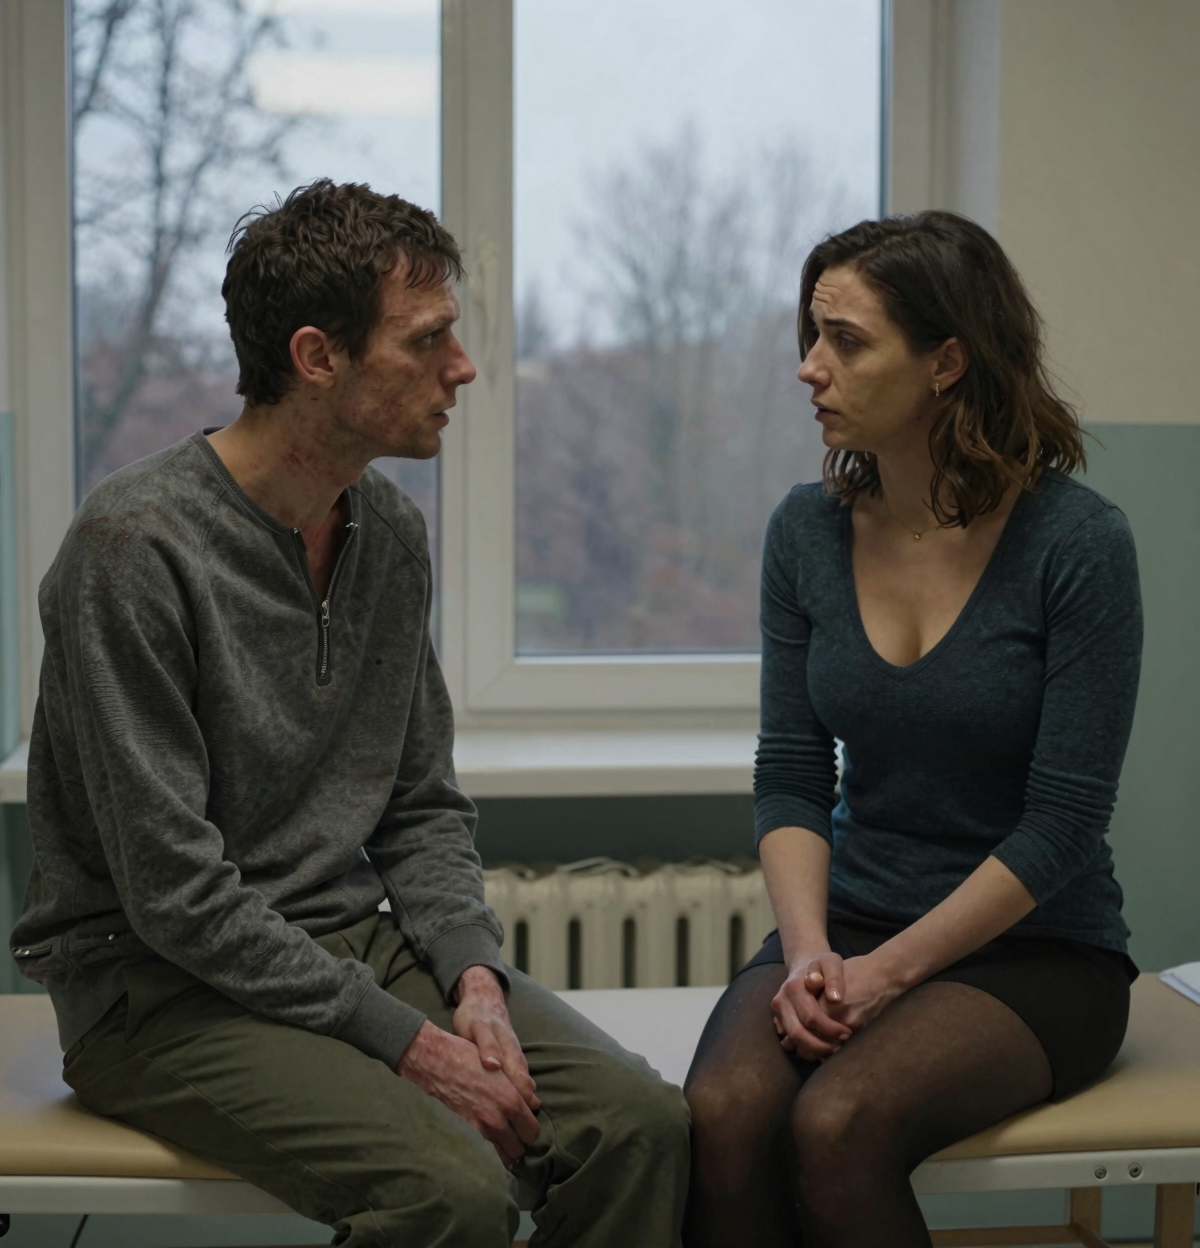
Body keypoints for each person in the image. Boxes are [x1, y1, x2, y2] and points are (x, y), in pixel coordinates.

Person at [10, 180, 689, 1248]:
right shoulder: (133, 550)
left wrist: (473, 978)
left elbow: (419, 805)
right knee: (451, 1191)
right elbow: (175, 895)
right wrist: (411, 1047)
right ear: (317, 357)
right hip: (155, 990)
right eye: (426, 340)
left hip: (350, 944)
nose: (461, 367)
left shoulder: (388, 535)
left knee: (642, 1128)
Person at [682, 211, 1142, 1248]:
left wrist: (889, 974)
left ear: (947, 362)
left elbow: (1063, 823)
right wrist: (810, 953)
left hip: (1035, 950)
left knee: (838, 1125)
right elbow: (793, 771)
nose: (810, 367)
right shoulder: (806, 531)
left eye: (846, 341)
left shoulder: (1077, 544)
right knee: (723, 1113)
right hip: (848, 922)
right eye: (812, 335)